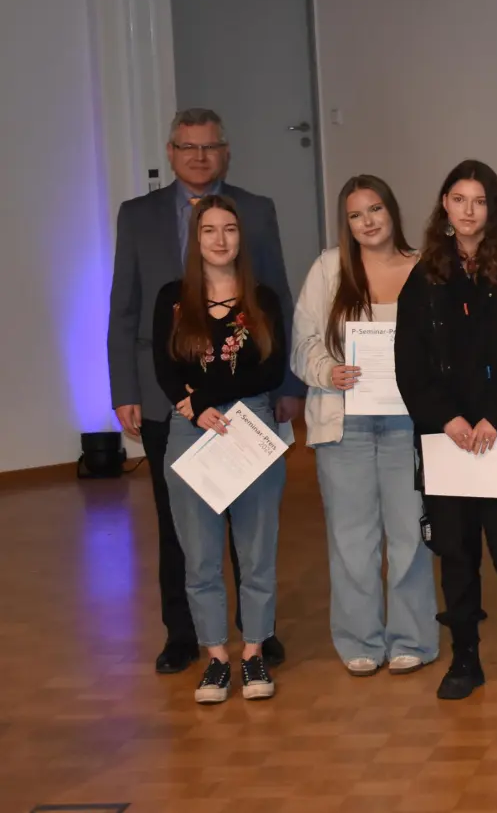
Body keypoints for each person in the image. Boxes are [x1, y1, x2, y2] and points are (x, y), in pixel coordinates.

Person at [107, 107, 299, 674]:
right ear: (170, 152)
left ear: (225, 151)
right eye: (186, 147)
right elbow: (125, 308)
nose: (198, 156)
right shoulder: (137, 215)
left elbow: (277, 301)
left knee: (252, 525)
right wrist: (125, 387)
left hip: (249, 400)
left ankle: (255, 637)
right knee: (181, 527)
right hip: (172, 394)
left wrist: (288, 384)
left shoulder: (256, 211)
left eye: (209, 146)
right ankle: (184, 635)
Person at [394, 160, 497, 701]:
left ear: (493, 209)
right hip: (448, 442)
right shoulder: (424, 279)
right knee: (457, 554)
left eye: (480, 201)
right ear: (444, 204)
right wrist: (448, 420)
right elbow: (409, 367)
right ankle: (464, 657)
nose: (469, 210)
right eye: (459, 199)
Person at [292, 175, 438, 677]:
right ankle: (359, 640)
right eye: (356, 215)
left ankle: (412, 640)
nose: (368, 222)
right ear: (346, 223)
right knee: (352, 540)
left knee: (409, 536)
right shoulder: (329, 268)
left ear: (392, 210)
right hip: (345, 422)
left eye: (375, 209)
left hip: (408, 425)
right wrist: (327, 372)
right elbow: (303, 342)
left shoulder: (426, 267)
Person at [153, 195, 289, 704]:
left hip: (250, 426)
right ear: (196, 237)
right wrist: (194, 407)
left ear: (240, 237)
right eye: (209, 230)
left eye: (229, 229)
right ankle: (215, 658)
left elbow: (270, 371)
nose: (220, 239)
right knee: (200, 559)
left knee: (256, 553)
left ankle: (253, 653)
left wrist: (214, 400)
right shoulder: (172, 296)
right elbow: (165, 367)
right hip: (191, 427)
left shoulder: (263, 298)